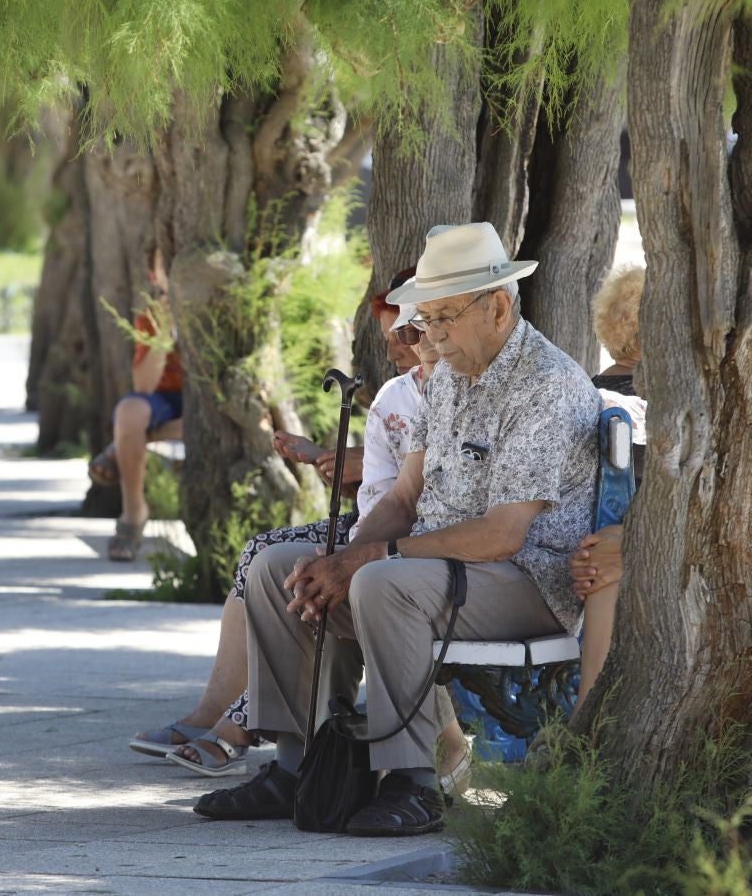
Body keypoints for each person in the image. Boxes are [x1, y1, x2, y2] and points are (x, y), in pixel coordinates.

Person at [198, 222, 601, 835]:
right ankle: (297, 766)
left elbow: (502, 535)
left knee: (380, 584)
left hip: (525, 579)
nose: (429, 337)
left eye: (443, 318)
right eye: (425, 321)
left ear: (496, 305)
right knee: (279, 568)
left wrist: (369, 560)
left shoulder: (547, 384)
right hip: (437, 568)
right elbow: (406, 495)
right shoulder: (446, 378)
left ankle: (416, 783)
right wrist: (341, 555)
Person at [134, 278, 471, 798]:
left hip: (422, 545)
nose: (400, 348)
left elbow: (425, 497)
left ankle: (244, 725)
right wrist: (341, 542)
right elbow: (394, 492)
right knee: (272, 564)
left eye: (410, 331)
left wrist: (352, 544)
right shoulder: (401, 393)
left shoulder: (465, 386)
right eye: (401, 335)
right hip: (373, 526)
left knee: (323, 574)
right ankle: (287, 760)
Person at [569, 265, 647, 706]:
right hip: (613, 555)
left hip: (580, 553)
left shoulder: (583, 395)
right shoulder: (656, 408)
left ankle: (586, 718)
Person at [89, 248, 184, 561]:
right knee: (130, 412)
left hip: (205, 405)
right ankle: (133, 513)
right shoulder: (150, 317)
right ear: (154, 276)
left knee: (139, 430)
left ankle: (121, 447)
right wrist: (165, 329)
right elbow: (143, 386)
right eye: (163, 264)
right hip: (166, 401)